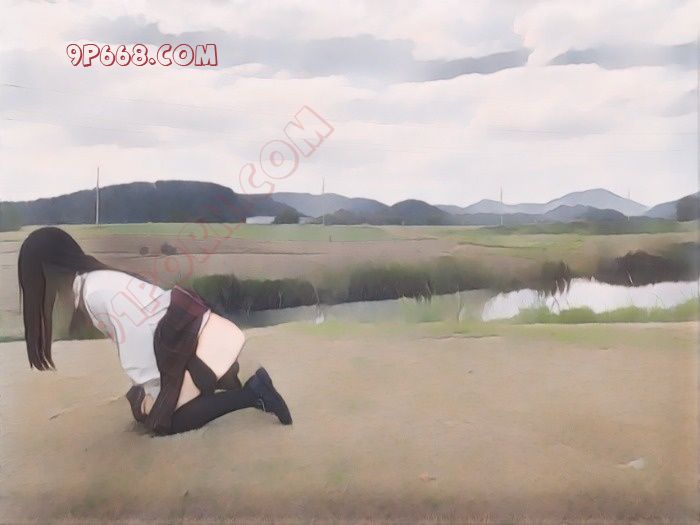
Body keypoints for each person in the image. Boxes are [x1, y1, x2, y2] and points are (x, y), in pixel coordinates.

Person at [17, 226, 292, 435]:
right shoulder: (93, 285)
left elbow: (137, 341)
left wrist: (157, 394)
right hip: (183, 341)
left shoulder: (95, 292)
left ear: (48, 272)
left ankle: (254, 393)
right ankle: (216, 380)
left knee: (166, 421)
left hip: (190, 340)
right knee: (141, 406)